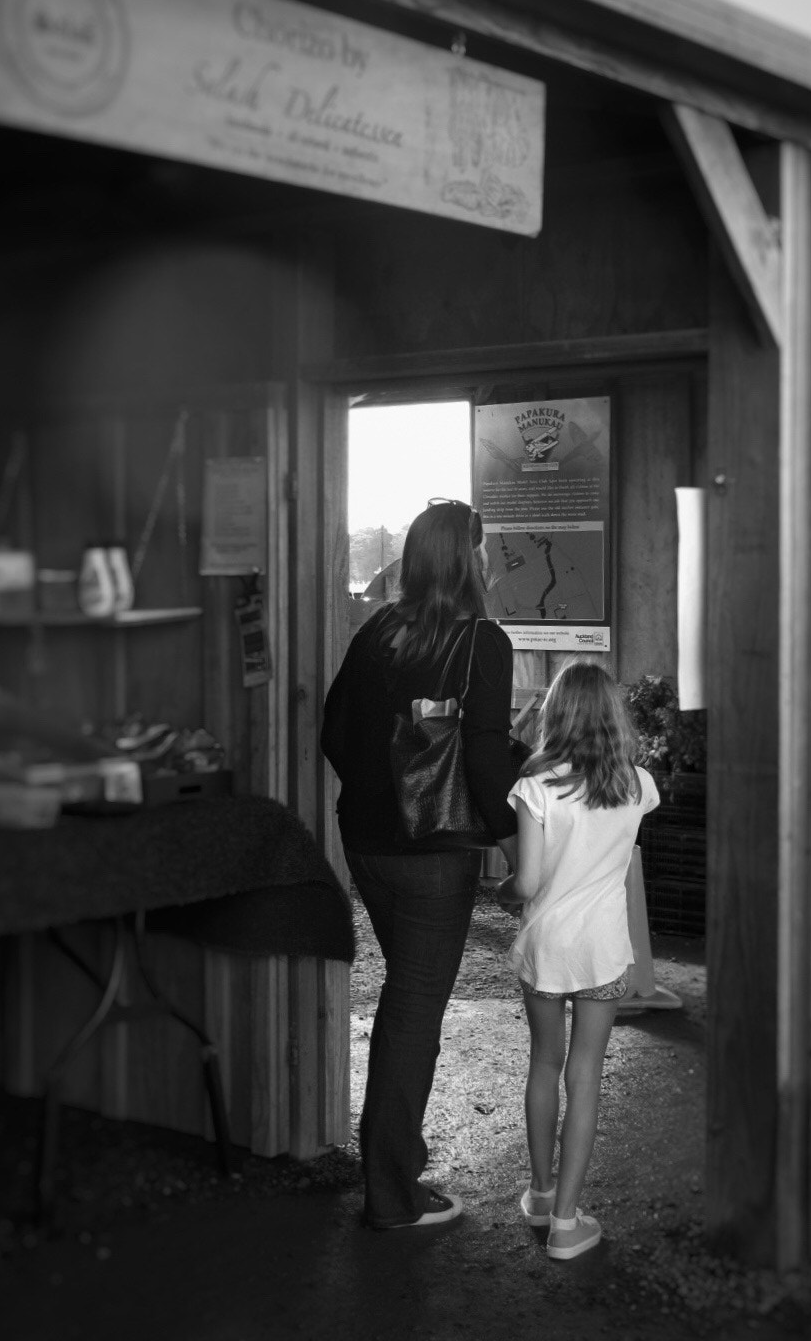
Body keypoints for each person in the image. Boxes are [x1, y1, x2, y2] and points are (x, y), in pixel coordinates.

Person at [321, 498, 518, 1231]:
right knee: (411, 1013)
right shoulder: (483, 641)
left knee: (405, 1001)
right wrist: (511, 839)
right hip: (436, 853)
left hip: (367, 842)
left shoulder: (379, 628)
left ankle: (397, 1153)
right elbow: (487, 760)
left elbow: (336, 732)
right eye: (484, 546)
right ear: (465, 557)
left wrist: (379, 794)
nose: (490, 558)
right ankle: (393, 1195)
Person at [496, 660, 660, 1259]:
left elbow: (530, 879)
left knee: (545, 1062)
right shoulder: (638, 784)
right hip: (603, 952)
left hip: (546, 948)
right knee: (584, 1076)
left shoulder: (535, 788)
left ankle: (539, 1195)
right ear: (614, 715)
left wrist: (503, 888)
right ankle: (567, 1223)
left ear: (554, 715)